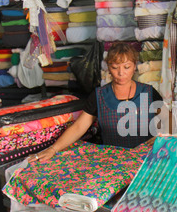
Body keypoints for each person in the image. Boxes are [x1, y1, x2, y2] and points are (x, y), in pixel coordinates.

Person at [29, 42, 166, 162]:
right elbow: (79, 127)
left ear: (134, 66)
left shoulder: (148, 93)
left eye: (126, 67)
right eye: (115, 67)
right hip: (113, 162)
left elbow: (170, 121)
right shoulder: (99, 96)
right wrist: (53, 149)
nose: (120, 73)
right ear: (108, 67)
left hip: (145, 160)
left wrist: (163, 137)